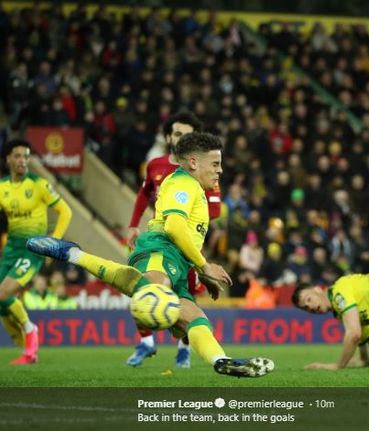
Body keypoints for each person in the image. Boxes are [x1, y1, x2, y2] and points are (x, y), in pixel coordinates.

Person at [28, 132, 273, 378]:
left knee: (196, 320)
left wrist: (198, 270)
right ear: (193, 163)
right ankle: (73, 254)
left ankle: (220, 360)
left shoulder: (192, 188)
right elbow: (174, 227)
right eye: (215, 164)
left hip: (177, 260)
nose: (219, 171)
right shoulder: (183, 184)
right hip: (161, 250)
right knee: (153, 286)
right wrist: (204, 266)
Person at [124, 111, 222, 369]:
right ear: (168, 136)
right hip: (163, 239)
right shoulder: (155, 166)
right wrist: (134, 225)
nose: (181, 138)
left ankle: (184, 347)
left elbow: (214, 210)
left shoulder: (202, 170)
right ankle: (146, 342)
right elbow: (144, 195)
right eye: (177, 133)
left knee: (186, 293)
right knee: (150, 285)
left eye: (187, 134)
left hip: (189, 241)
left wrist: (190, 211)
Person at [0, 140, 72, 364]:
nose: (22, 160)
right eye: (18, 156)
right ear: (8, 160)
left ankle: (30, 332)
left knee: (3, 293)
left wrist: (53, 242)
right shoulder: (2, 187)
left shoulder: (39, 184)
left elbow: (65, 211)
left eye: (26, 156)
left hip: (32, 250)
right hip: (11, 248)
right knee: (2, 297)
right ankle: (25, 342)